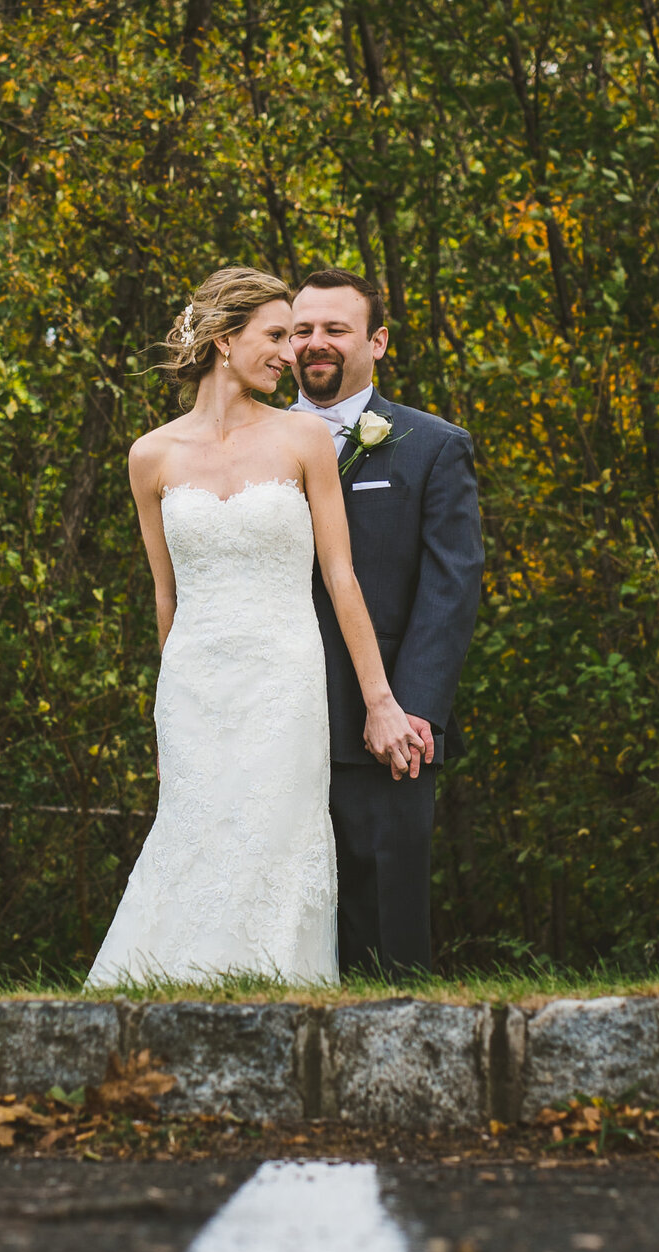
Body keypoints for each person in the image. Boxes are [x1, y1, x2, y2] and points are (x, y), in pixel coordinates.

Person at [85, 268, 421, 988]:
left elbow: (341, 578)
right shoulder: (151, 455)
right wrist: (168, 699)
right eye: (276, 336)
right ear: (223, 339)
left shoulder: (303, 437)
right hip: (195, 683)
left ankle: (276, 997)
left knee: (274, 841)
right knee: (194, 837)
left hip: (283, 678)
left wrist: (379, 698)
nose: (290, 353)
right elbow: (164, 594)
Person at [290, 269, 484, 976]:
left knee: (387, 942)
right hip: (272, 721)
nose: (315, 343)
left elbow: (450, 587)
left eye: (335, 329)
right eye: (301, 329)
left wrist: (408, 711)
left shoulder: (432, 446)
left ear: (376, 340)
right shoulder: (251, 445)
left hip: (384, 726)